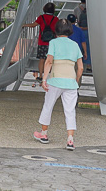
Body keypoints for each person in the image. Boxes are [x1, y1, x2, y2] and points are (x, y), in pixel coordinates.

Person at [33, 19, 83, 150]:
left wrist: (44, 79)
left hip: (55, 80)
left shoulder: (53, 42)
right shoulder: (75, 45)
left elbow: (49, 61)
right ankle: (70, 140)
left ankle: (43, 134)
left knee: (48, 106)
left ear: (56, 30)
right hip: (71, 82)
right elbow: (81, 67)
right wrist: (76, 80)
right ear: (70, 31)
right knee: (70, 110)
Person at [21, 2, 59, 83]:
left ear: (44, 9)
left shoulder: (41, 17)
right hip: (52, 42)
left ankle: (41, 76)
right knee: (51, 60)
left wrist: (24, 25)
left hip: (42, 42)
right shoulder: (56, 19)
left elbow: (33, 25)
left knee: (41, 59)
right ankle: (52, 76)